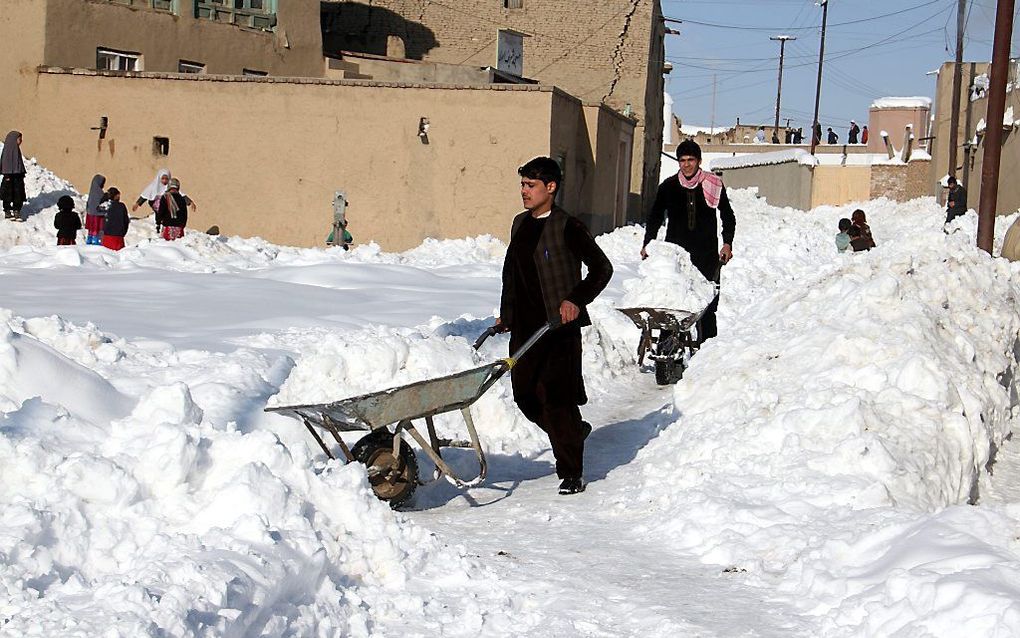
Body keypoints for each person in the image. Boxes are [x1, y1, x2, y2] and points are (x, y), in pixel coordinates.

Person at [497, 157, 613, 496]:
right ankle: (573, 433)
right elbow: (511, 273)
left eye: (531, 185)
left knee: (557, 401)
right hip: (526, 328)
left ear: (551, 187)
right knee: (524, 395)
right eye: (522, 184)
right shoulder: (520, 224)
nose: (524, 191)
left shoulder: (568, 226)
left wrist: (575, 299)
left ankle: (571, 471)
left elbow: (601, 269)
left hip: (558, 329)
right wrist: (507, 313)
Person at [642, 139, 735, 341]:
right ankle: (666, 354)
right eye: (682, 160)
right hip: (676, 256)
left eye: (691, 160)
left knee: (706, 308)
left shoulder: (713, 184)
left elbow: (728, 216)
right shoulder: (668, 186)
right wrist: (647, 243)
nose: (686, 164)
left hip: (706, 255)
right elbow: (655, 216)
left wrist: (727, 243)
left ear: (699, 161)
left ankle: (707, 354)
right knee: (672, 307)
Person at [1, 130, 27, 221]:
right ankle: (7, 210)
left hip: (18, 176)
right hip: (8, 177)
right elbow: (4, 163)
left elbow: (19, 164)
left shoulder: (17, 150)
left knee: (18, 194)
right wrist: (7, 174)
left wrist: (21, 173)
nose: (21, 141)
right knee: (7, 193)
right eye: (19, 139)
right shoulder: (7, 150)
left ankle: (17, 210)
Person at [83, 174, 108, 245]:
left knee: (91, 230)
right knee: (97, 230)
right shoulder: (100, 193)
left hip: (90, 214)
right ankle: (96, 241)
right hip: (98, 215)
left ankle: (90, 239)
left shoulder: (92, 191)